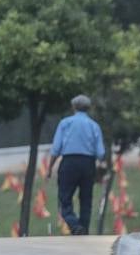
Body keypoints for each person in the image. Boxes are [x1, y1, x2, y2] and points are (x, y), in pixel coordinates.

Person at [45, 95, 106, 235]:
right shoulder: (94, 126)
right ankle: (83, 228)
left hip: (69, 163)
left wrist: (49, 168)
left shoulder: (65, 123)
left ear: (73, 107)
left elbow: (56, 149)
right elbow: (101, 152)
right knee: (86, 198)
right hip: (88, 164)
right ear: (88, 108)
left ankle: (74, 224)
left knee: (64, 197)